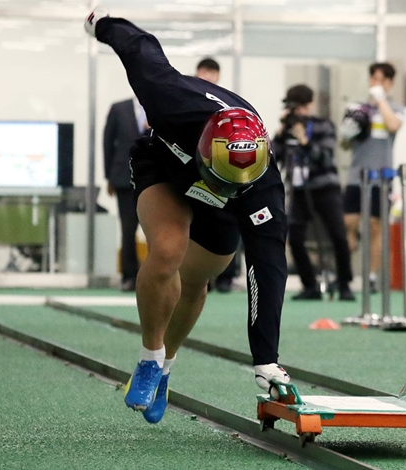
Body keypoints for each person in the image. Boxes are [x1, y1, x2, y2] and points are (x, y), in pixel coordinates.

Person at [84, 8, 291, 424]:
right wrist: (102, 22)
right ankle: (149, 356)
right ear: (204, 149)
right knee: (167, 249)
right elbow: (140, 48)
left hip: (227, 207)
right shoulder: (168, 98)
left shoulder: (261, 188)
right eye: (220, 179)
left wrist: (266, 360)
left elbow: (268, 271)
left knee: (197, 280)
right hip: (164, 169)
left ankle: (166, 369)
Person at [273, 85, 354, 301]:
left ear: (309, 104)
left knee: (338, 235)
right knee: (295, 238)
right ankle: (309, 285)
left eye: (299, 107)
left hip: (326, 187)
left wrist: (304, 141)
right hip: (299, 190)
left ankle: (345, 284)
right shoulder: (287, 129)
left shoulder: (324, 125)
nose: (297, 112)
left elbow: (325, 157)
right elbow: (273, 157)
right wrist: (281, 133)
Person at [341, 62, 404, 292]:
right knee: (349, 222)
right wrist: (347, 133)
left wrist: (381, 101)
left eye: (382, 80)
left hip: (381, 178)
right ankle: (345, 273)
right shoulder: (356, 107)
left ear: (390, 84)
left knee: (376, 225)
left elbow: (394, 125)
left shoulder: (395, 108)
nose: (376, 84)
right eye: (373, 79)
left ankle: (372, 276)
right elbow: (344, 142)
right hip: (356, 175)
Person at [193, 57, 238, 293]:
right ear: (197, 72)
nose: (209, 76)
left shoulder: (226, 102)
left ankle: (225, 278)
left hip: (220, 172)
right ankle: (198, 276)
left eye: (213, 72)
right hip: (193, 170)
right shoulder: (187, 98)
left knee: (225, 222)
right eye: (205, 71)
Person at [103, 96, 146, 292]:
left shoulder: (159, 106)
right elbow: (108, 141)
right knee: (128, 230)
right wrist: (109, 177)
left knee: (158, 232)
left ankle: (155, 278)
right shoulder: (119, 108)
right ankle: (129, 277)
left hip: (153, 179)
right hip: (123, 178)